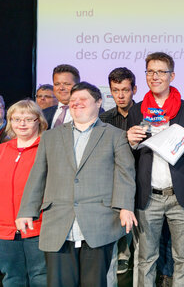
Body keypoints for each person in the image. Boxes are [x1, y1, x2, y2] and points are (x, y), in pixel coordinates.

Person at [16, 82, 137, 287]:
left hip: (99, 222)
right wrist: (26, 210)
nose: (76, 103)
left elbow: (125, 175)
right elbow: (38, 175)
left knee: (94, 283)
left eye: (83, 100)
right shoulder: (50, 136)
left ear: (98, 102)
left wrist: (125, 207)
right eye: (73, 101)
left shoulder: (115, 136)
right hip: (59, 222)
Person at [127, 52, 184, 286]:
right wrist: (130, 142)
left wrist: (175, 141)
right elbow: (129, 156)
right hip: (148, 195)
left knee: (183, 257)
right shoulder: (138, 109)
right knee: (145, 258)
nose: (155, 76)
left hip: (179, 195)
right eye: (150, 71)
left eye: (161, 71)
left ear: (171, 76)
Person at [0, 100, 48, 287]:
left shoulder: (47, 148)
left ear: (39, 121)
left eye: (28, 119)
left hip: (38, 227)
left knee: (40, 278)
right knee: (12, 278)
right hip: (6, 231)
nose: (22, 123)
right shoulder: (3, 150)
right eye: (17, 119)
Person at [100, 67, 137, 275]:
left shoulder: (145, 115)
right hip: (113, 180)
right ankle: (121, 255)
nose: (120, 95)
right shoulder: (104, 119)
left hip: (141, 177)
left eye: (125, 90)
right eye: (115, 90)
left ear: (134, 90)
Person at [43, 64, 80, 128]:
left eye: (66, 84)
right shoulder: (44, 114)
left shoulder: (91, 112)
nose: (61, 88)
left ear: (77, 86)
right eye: (57, 84)